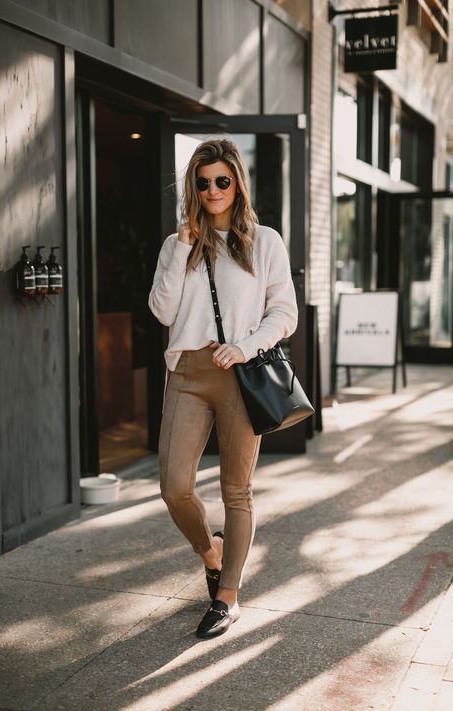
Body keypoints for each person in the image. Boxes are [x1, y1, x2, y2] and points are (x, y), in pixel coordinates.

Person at [148, 138, 298, 639]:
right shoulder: (177, 244)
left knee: (237, 489)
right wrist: (184, 246)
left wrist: (247, 345)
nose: (212, 190)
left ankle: (227, 595)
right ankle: (210, 553)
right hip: (187, 375)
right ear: (193, 186)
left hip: (241, 374)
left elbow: (284, 312)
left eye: (222, 181)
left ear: (237, 182)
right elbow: (162, 312)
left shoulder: (265, 241)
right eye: (202, 181)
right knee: (175, 487)